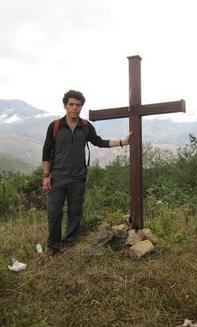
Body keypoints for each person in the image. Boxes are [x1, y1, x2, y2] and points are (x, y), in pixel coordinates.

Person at [42, 90, 132, 254]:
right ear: (65, 106)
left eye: (78, 105)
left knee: (75, 213)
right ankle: (53, 247)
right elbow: (46, 152)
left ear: (81, 107)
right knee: (54, 213)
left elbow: (99, 142)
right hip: (58, 178)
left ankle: (69, 243)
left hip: (78, 178)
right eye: (71, 104)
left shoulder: (85, 126)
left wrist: (122, 142)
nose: (74, 108)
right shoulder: (55, 126)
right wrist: (46, 176)